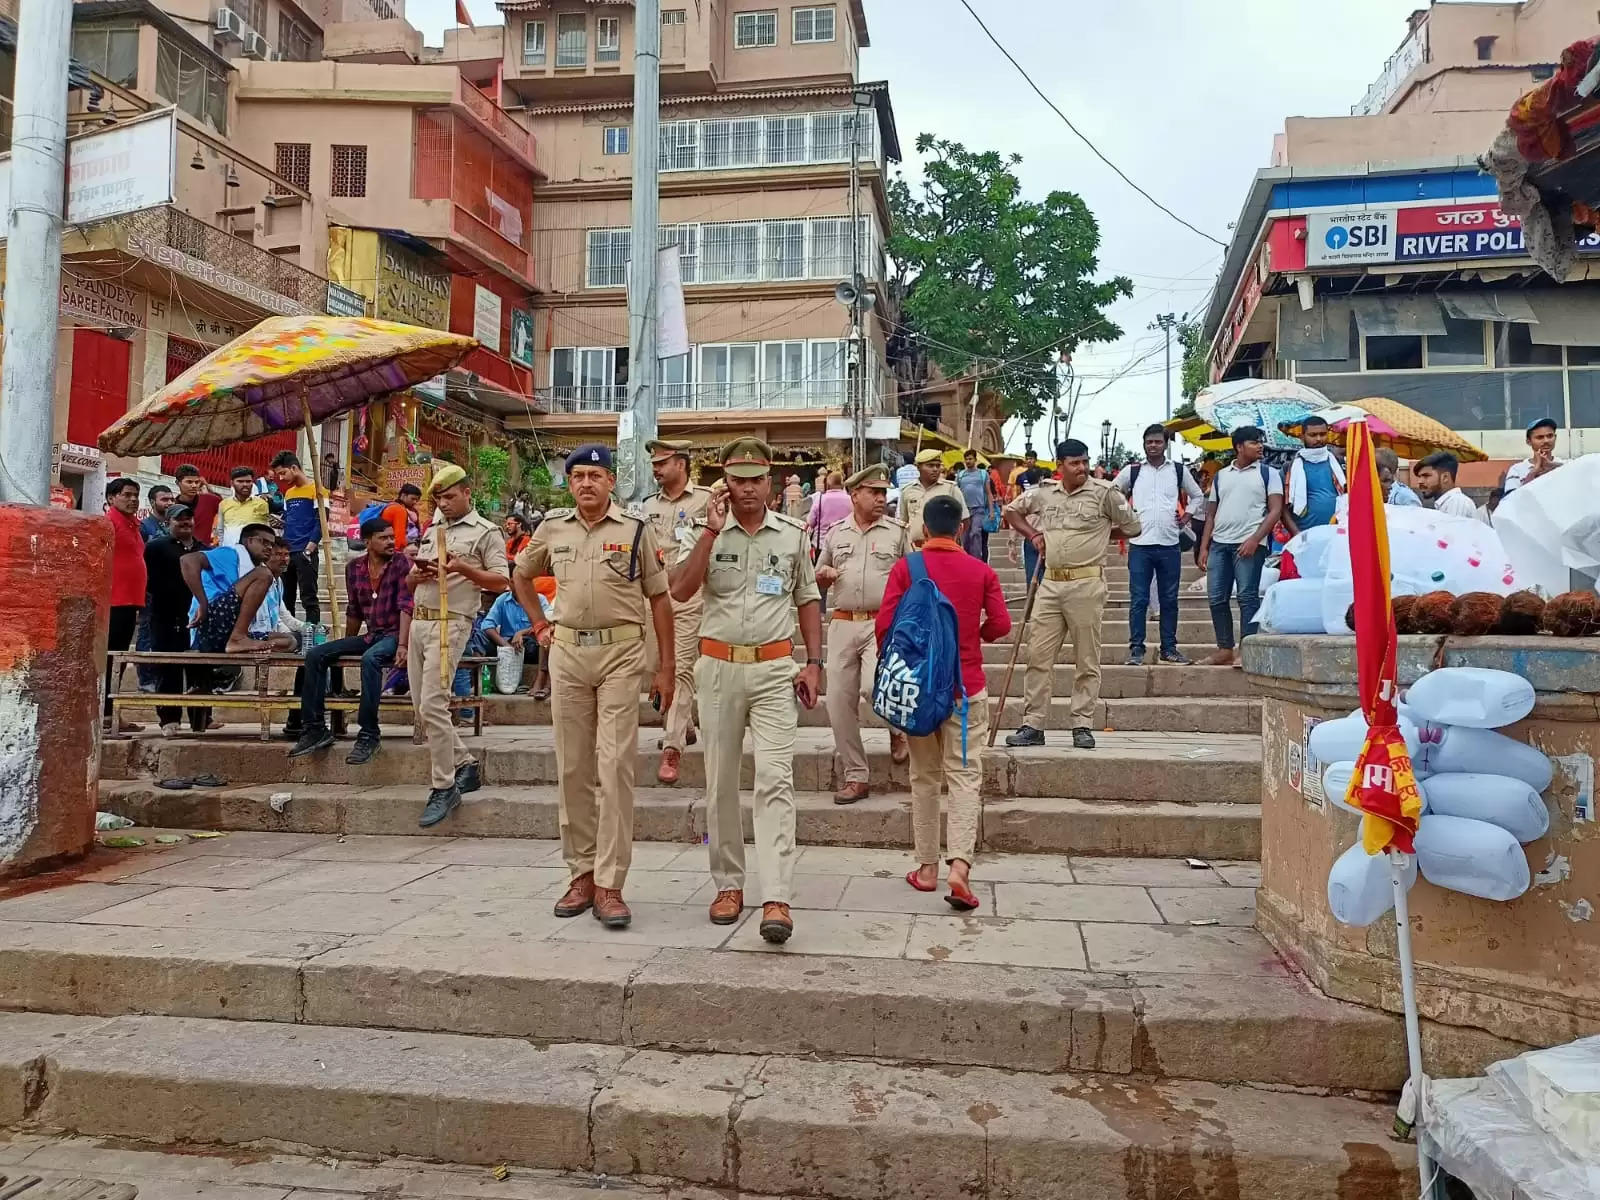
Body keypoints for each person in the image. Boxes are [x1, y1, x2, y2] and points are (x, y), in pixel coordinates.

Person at [513, 445, 674, 930]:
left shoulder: (635, 530)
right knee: (573, 766)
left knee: (615, 765)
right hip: (567, 653)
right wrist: (539, 624)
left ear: (611, 482)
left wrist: (665, 668)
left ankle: (610, 882)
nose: (586, 483)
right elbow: (521, 576)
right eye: (578, 475)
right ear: (570, 483)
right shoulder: (552, 529)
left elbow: (661, 599)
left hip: (622, 653)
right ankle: (580, 872)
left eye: (596, 475)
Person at [671, 438, 823, 945]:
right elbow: (680, 589)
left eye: (757, 479)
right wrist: (710, 533)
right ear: (725, 484)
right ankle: (728, 883)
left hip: (775, 668)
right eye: (738, 480)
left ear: (772, 482)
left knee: (776, 779)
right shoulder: (703, 531)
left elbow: (806, 598)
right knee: (719, 783)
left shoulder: (793, 535)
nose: (749, 489)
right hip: (717, 667)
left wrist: (815, 663)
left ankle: (777, 894)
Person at [883, 495, 1011, 909]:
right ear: (959, 528)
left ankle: (926, 868)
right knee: (964, 776)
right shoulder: (981, 571)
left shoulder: (907, 568)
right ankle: (960, 866)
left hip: (920, 693)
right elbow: (1003, 625)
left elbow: (886, 625)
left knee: (924, 777)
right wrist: (974, 638)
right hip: (966, 689)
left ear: (923, 529)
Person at [1002, 439, 1140, 749]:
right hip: (1050, 583)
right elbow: (1011, 511)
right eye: (1074, 463)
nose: (1082, 468)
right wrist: (1033, 534)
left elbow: (1133, 527)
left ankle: (1082, 724)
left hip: (1086, 583)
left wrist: (1103, 532)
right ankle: (1033, 724)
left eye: (1084, 462)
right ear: (1059, 466)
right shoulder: (1044, 491)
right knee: (1038, 656)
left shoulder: (1104, 492)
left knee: (1086, 658)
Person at [406, 463, 509, 827]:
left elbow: (501, 581)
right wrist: (416, 573)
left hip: (452, 621)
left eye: (450, 496)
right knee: (422, 707)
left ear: (467, 493)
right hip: (420, 618)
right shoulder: (434, 527)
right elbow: (409, 582)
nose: (444, 504)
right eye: (439, 498)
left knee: (435, 702)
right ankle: (464, 762)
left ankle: (443, 785)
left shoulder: (485, 532)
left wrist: (461, 568)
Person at [815, 464, 909, 805]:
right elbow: (816, 574)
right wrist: (822, 574)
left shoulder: (897, 533)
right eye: (874, 492)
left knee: (874, 686)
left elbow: (912, 577)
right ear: (855, 495)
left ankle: (898, 730)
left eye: (884, 492)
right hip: (841, 623)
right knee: (838, 703)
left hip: (881, 624)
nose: (881, 498)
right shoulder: (836, 533)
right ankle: (856, 776)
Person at [287, 517, 412, 764]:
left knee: (371, 659)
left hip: (396, 633)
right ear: (367, 541)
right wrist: (344, 645)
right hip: (372, 634)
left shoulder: (401, 563)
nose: (390, 542)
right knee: (316, 655)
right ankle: (314, 728)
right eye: (383, 537)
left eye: (391, 537)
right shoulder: (354, 568)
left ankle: (368, 733)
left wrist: (403, 645)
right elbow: (354, 611)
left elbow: (406, 605)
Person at [642, 439, 714, 785]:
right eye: (654, 463)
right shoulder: (645, 506)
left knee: (681, 667)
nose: (656, 468)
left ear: (681, 464)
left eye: (663, 462)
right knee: (655, 667)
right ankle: (683, 725)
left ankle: (671, 749)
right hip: (652, 597)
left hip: (689, 596)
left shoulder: (705, 501)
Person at [1114, 424, 1205, 667]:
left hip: (1169, 543)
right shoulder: (1132, 471)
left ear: (1166, 444)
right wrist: (1125, 514)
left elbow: (1198, 495)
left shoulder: (1177, 470)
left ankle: (1169, 648)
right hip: (1140, 544)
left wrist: (1187, 516)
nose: (1153, 446)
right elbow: (1111, 494)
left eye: (1157, 442)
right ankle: (1136, 649)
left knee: (1169, 599)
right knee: (1139, 599)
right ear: (1143, 444)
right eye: (1149, 442)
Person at [1197, 427, 1284, 668]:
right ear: (1238, 446)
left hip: (1250, 544)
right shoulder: (1222, 475)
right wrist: (1205, 546)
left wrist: (1255, 539)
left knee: (1247, 597)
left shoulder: (1269, 474)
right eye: (1254, 442)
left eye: (1260, 442)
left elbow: (1276, 510)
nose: (1260, 446)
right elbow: (1211, 514)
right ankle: (1224, 648)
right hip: (1220, 544)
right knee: (1216, 598)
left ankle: (1246, 649)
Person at [143, 504, 209, 736]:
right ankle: (169, 719)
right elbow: (147, 578)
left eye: (188, 518)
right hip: (165, 614)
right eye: (179, 519)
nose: (185, 523)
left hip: (197, 616)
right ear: (168, 522)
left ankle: (201, 719)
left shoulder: (203, 548)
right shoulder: (156, 547)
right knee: (167, 667)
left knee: (200, 669)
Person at [182, 524, 296, 657]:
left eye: (271, 544)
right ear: (249, 541)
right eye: (264, 542)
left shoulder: (259, 570)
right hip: (211, 622)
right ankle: (238, 639)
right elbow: (187, 560)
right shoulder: (230, 553)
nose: (269, 548)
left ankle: (241, 644)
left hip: (229, 630)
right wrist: (202, 603)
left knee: (290, 641)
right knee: (263, 574)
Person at [104, 477, 148, 733]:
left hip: (129, 601)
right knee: (111, 661)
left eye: (136, 495)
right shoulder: (109, 524)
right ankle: (107, 716)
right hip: (114, 602)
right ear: (112, 498)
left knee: (117, 660)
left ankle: (111, 715)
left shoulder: (132, 525)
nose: (133, 499)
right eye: (127, 495)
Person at [270, 451, 327, 624]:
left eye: (283, 473)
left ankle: (313, 637)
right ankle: (292, 637)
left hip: (305, 551)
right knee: (286, 598)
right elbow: (289, 519)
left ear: (294, 468)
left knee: (309, 597)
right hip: (287, 552)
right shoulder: (289, 494)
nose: (281, 478)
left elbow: (321, 522)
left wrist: (309, 548)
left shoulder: (318, 490)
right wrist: (280, 522)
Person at [1283, 416, 1345, 536]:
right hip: (1305, 534)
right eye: (1313, 435)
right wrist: (1296, 533)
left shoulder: (1339, 462)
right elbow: (1282, 507)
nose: (1318, 439)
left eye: (1322, 434)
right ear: (1302, 437)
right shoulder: (1290, 467)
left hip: (1338, 531)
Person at [899, 449, 969, 548]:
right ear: (918, 467)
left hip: (944, 549)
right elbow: (903, 522)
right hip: (915, 549)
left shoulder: (951, 489)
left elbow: (964, 520)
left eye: (938, 465)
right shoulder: (907, 491)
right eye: (930, 466)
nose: (935, 469)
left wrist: (954, 540)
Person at [955, 449, 1000, 561]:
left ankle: (976, 560)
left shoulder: (983, 474)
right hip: (964, 510)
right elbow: (956, 492)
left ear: (975, 460)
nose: (968, 461)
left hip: (979, 509)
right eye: (966, 459)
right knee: (965, 538)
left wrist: (991, 511)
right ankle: (967, 560)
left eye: (970, 459)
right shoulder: (960, 475)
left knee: (975, 533)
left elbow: (989, 493)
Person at [1503, 417, 1563, 493]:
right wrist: (1534, 471)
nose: (1546, 441)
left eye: (1550, 436)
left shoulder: (1567, 464)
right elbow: (1512, 499)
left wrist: (1553, 465)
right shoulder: (1517, 470)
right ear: (1528, 442)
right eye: (1540, 437)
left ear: (1555, 437)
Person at [1414, 451, 1479, 519]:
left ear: (1445, 477)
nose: (1420, 481)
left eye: (1426, 476)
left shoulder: (1457, 502)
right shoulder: (1447, 503)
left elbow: (1451, 529)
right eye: (1419, 477)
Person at [218, 467, 271, 546]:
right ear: (232, 483)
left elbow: (266, 531)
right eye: (240, 481)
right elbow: (220, 531)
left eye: (248, 481)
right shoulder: (224, 504)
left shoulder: (262, 504)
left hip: (252, 555)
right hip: (229, 553)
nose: (245, 484)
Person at [173, 464, 221, 547]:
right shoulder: (172, 506)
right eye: (189, 482)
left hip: (203, 554)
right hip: (178, 553)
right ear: (178, 483)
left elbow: (228, 510)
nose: (194, 486)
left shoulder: (210, 500)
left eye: (197, 482)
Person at [380, 483, 424, 550]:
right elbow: (399, 535)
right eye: (412, 499)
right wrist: (399, 552)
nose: (415, 502)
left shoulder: (411, 510)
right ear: (403, 495)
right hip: (402, 548)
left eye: (417, 500)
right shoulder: (398, 509)